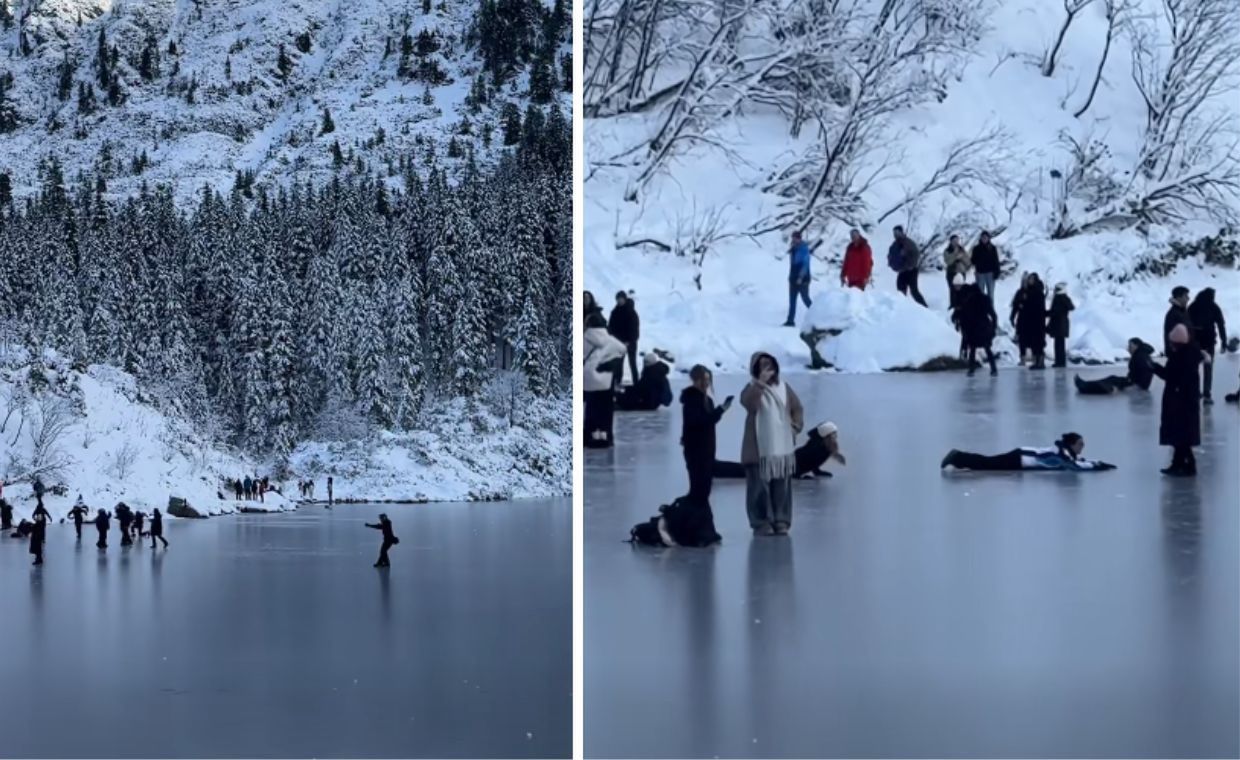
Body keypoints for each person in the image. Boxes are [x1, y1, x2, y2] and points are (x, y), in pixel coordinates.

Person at [740, 352, 804, 536]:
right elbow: (750, 404)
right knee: (758, 488)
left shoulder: (784, 388)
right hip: (758, 447)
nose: (768, 369)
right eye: (763, 366)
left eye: (770, 365)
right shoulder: (750, 388)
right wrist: (760, 384)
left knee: (782, 486)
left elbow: (797, 408)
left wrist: (795, 425)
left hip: (782, 447)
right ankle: (760, 522)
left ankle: (781, 520)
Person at [1151, 323, 1204, 476]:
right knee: (1180, 437)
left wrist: (1155, 368)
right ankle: (1179, 464)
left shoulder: (1182, 357)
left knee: (1181, 437)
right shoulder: (1187, 355)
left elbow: (1172, 376)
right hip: (1183, 401)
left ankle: (1186, 465)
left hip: (1180, 402)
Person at [714, 421, 846, 480]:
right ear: (826, 435)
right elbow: (802, 462)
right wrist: (799, 476)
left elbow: (812, 463)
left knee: (749, 470)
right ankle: (716, 468)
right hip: (783, 466)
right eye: (833, 434)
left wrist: (817, 472)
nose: (836, 436)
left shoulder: (826, 447)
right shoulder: (818, 448)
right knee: (747, 471)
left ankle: (716, 467)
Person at [681, 365, 732, 507]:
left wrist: (720, 410)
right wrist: (719, 411)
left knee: (703, 490)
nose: (706, 383)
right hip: (696, 451)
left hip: (706, 450)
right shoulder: (692, 400)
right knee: (699, 491)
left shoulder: (706, 400)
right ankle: (694, 522)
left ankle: (698, 522)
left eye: (708, 379)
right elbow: (699, 422)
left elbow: (709, 421)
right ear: (695, 380)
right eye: (703, 379)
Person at [940, 433, 1115, 471]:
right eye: (1080, 444)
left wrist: (1097, 462)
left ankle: (959, 458)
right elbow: (1075, 466)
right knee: (987, 464)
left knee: (988, 463)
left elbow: (1079, 460)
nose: (1082, 447)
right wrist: (1099, 467)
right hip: (1019, 460)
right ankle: (958, 457)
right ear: (1072, 444)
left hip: (1020, 456)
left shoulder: (1064, 451)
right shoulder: (1062, 454)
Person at [584, 312, 628, 448]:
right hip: (606, 380)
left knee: (591, 408)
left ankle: (589, 435)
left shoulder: (584, 338)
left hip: (588, 380)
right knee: (606, 409)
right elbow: (623, 349)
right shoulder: (610, 340)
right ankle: (606, 435)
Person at [1188, 287, 1227, 404]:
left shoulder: (1193, 306)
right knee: (1208, 368)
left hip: (1195, 342)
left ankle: (1194, 391)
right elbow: (1221, 324)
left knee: (1193, 368)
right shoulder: (1214, 307)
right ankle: (1206, 393)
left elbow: (1186, 323)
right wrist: (1223, 341)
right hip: (1208, 342)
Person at [952, 280, 999, 376]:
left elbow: (962, 313)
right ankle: (993, 368)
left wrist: (957, 320)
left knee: (972, 349)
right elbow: (993, 315)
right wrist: (994, 327)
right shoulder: (985, 299)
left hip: (972, 327)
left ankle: (971, 369)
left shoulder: (968, 300)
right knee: (987, 348)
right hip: (984, 326)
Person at [1075, 338, 1156, 394]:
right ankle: (1086, 385)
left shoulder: (1141, 356)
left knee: (1111, 381)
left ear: (1136, 345)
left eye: (1130, 346)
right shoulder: (1141, 354)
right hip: (1134, 383)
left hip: (1135, 385)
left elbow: (1146, 372)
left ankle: (1086, 387)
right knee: (1112, 378)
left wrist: (1136, 386)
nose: (1128, 348)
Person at [607, 291, 641, 387]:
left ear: (625, 299)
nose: (619, 301)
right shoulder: (615, 312)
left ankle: (636, 383)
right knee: (618, 363)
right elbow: (611, 327)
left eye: (621, 299)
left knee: (632, 363)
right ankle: (617, 381)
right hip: (618, 342)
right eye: (618, 299)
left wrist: (630, 341)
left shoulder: (631, 312)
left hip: (630, 342)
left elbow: (635, 328)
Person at [1016, 273, 1048, 369]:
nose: (1029, 281)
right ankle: (1037, 361)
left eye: (1031, 279)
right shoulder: (1031, 291)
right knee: (1035, 342)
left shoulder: (1037, 292)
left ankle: (1040, 362)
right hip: (1032, 320)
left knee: (1038, 342)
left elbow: (1035, 306)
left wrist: (1024, 304)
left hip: (1037, 320)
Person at [889, 226, 926, 307]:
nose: (896, 235)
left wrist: (910, 265)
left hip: (911, 270)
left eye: (897, 233)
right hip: (902, 271)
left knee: (914, 291)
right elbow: (890, 256)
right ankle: (902, 307)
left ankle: (925, 308)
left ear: (902, 232)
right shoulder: (894, 245)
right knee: (900, 291)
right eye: (894, 233)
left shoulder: (908, 243)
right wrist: (893, 265)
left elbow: (916, 254)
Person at [784, 231, 813, 326]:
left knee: (805, 299)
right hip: (793, 278)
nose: (794, 240)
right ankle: (790, 320)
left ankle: (817, 314)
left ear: (799, 239)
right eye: (793, 238)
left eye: (795, 238)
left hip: (803, 279)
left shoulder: (804, 249)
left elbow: (805, 265)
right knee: (792, 300)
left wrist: (801, 277)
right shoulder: (793, 249)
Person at [1047, 282, 1075, 368]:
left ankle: (1060, 362)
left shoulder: (1060, 298)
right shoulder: (1064, 298)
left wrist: (1046, 313)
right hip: (1061, 323)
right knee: (1059, 343)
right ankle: (1060, 361)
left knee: (1059, 344)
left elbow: (1055, 311)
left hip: (1059, 323)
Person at [1163, 286, 1192, 356]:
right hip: (1179, 355)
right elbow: (1171, 337)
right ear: (1179, 297)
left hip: (1187, 353)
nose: (1188, 298)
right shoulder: (1173, 314)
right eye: (1185, 296)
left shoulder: (1183, 312)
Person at [971, 231, 1000, 302]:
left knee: (991, 294)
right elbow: (972, 260)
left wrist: (997, 272)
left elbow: (996, 261)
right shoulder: (976, 248)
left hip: (990, 273)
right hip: (980, 273)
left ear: (988, 238)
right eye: (983, 237)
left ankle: (991, 310)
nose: (984, 239)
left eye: (986, 237)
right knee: (980, 294)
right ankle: (981, 311)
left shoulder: (992, 248)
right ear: (980, 238)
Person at [943, 235, 971, 307]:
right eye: (954, 241)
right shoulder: (947, 251)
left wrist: (962, 258)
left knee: (961, 289)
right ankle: (952, 305)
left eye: (957, 240)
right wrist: (955, 255)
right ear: (951, 241)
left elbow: (968, 261)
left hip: (961, 272)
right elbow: (948, 261)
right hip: (951, 272)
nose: (956, 242)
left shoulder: (962, 250)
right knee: (952, 290)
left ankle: (961, 304)